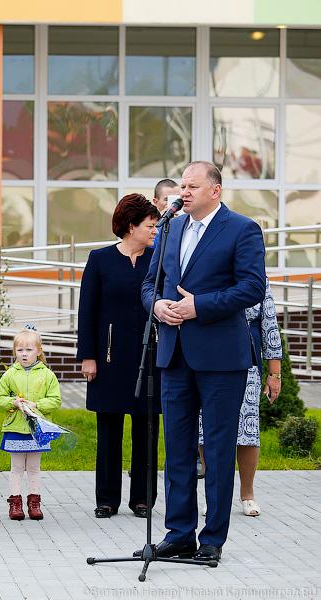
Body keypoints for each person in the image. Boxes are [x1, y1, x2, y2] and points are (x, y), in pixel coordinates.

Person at [140, 160, 266, 563]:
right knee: (177, 449)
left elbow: (253, 287)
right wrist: (157, 306)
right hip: (174, 353)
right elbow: (150, 283)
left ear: (215, 190)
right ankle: (179, 534)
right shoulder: (171, 228)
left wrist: (201, 306)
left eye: (192, 186)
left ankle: (212, 540)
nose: (184, 193)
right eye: (182, 186)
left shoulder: (242, 229)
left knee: (217, 449)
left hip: (221, 358)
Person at [77, 194, 161, 519]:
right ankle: (107, 499)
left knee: (147, 430)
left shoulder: (158, 259)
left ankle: (143, 498)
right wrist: (88, 356)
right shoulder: (100, 259)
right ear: (130, 226)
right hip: (108, 358)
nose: (154, 231)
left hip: (149, 357)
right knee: (109, 431)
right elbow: (87, 310)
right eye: (150, 225)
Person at [198, 278, 282, 517]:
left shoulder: (257, 277)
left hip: (246, 361)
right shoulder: (207, 270)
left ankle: (247, 495)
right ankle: (213, 496)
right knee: (208, 429)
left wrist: (274, 374)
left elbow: (269, 326)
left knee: (248, 430)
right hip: (208, 359)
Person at [0, 329, 62, 521]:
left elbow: (55, 400)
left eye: (29, 350)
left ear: (39, 351)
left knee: (33, 467)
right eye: (20, 350)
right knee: (16, 467)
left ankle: (34, 503)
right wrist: (13, 402)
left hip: (37, 429)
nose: (24, 354)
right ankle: (15, 503)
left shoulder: (47, 375)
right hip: (15, 427)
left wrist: (37, 405)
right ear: (14, 351)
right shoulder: (10, 375)